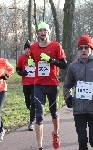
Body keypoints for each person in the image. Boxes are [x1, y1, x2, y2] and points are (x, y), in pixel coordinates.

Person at [29, 22, 67, 150]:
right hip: (38, 84)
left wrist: (51, 60)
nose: (43, 32)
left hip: (52, 84)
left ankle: (56, 134)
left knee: (53, 113)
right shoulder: (33, 47)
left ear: (48, 32)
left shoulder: (56, 46)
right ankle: (40, 146)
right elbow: (32, 62)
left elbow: (64, 64)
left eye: (45, 30)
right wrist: (30, 62)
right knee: (38, 115)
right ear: (38, 33)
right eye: (40, 30)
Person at [63, 34, 93, 150]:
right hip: (79, 109)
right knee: (82, 140)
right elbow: (67, 85)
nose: (84, 50)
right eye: (81, 48)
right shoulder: (73, 66)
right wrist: (68, 98)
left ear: (91, 48)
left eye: (86, 47)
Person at [16, 40, 35, 131]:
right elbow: (18, 69)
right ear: (24, 50)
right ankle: (34, 112)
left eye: (29, 48)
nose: (28, 50)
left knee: (33, 103)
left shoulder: (36, 57)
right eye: (26, 49)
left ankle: (31, 122)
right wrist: (22, 73)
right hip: (26, 84)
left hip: (35, 83)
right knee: (28, 103)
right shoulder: (21, 58)